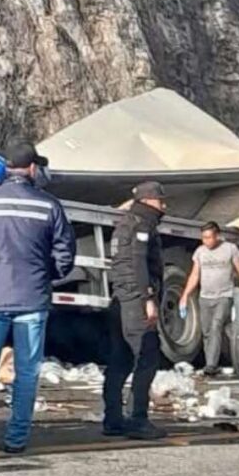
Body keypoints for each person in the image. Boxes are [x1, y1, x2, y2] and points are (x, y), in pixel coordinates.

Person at [0, 143, 75, 454]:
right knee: (26, 371)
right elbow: (65, 254)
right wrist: (46, 275)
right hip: (33, 300)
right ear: (33, 168)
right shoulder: (49, 205)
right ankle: (16, 439)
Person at [103, 181, 168, 440]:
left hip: (121, 298)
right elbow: (139, 262)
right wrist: (148, 297)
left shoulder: (125, 223)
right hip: (135, 300)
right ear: (149, 200)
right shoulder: (142, 222)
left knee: (120, 359)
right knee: (147, 356)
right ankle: (137, 419)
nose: (165, 205)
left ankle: (113, 419)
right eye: (161, 200)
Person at [179, 222, 239, 376]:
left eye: (209, 237)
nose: (206, 241)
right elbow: (195, 275)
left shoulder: (230, 249)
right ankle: (230, 359)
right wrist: (185, 295)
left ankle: (211, 365)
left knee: (216, 326)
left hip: (225, 295)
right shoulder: (200, 252)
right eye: (203, 238)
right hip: (205, 297)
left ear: (217, 236)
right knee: (208, 331)